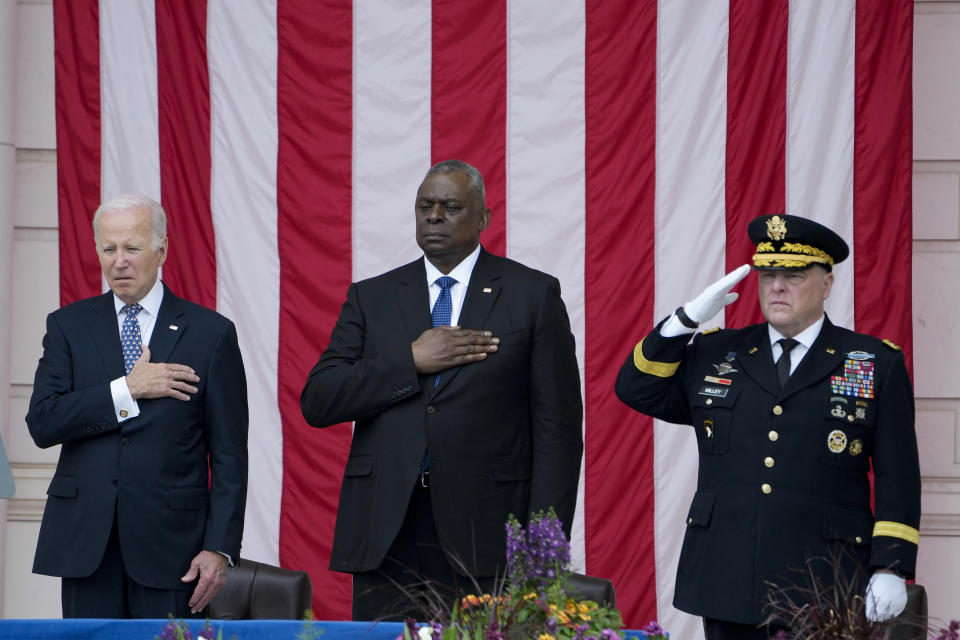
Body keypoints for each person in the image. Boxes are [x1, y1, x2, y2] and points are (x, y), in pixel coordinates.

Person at [301, 159, 583, 620]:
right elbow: (319, 399)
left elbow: (558, 431)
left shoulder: (531, 295)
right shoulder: (372, 297)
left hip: (489, 532)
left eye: (450, 206)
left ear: (483, 218)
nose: (434, 216)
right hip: (387, 528)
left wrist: (542, 544)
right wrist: (409, 361)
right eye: (424, 206)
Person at [615, 214, 921, 639]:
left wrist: (891, 565)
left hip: (825, 578)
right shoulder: (717, 352)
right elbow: (636, 388)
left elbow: (897, 476)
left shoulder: (872, 363)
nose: (776, 285)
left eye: (793, 275)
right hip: (728, 574)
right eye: (768, 274)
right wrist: (683, 321)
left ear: (827, 284)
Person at [26, 195, 248, 619]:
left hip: (174, 550)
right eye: (109, 249)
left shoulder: (210, 333)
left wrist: (219, 547)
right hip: (86, 544)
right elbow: (43, 422)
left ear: (161, 250)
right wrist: (127, 390)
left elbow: (229, 455)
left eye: (132, 248)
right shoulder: (67, 326)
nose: (119, 262)